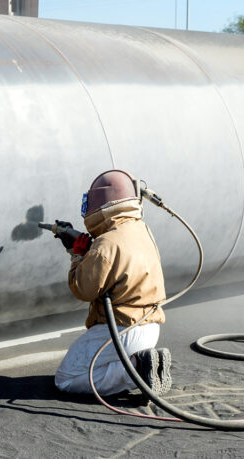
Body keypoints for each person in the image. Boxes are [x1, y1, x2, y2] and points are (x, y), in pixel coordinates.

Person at [51, 169, 172, 396]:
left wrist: (76, 257)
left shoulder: (106, 243)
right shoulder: (141, 229)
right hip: (149, 327)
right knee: (92, 366)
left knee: (66, 379)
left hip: (122, 330)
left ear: (101, 204)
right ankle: (142, 363)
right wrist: (87, 253)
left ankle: (137, 368)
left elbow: (84, 289)